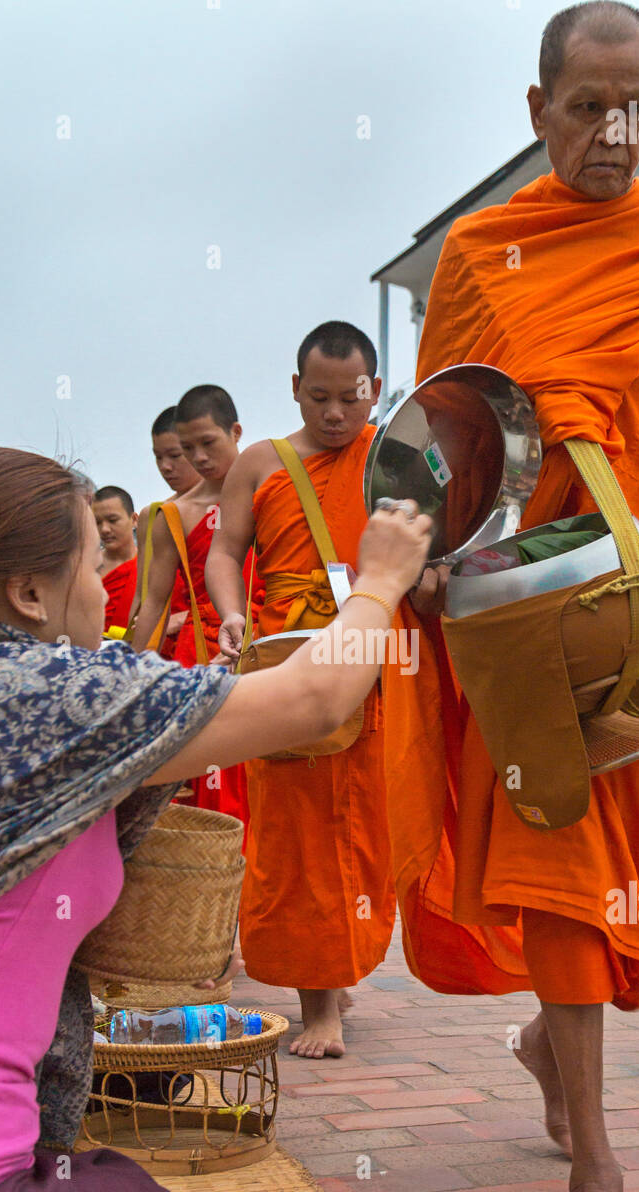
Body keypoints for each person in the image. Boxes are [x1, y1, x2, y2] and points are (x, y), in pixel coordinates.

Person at [379, 2, 639, 1192]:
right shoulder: (484, 255)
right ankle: (597, 1168)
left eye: (637, 106)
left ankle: (558, 1042)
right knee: (560, 866)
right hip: (530, 619)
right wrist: (428, 563)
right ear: (535, 107)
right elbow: (448, 437)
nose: (614, 132)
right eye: (588, 105)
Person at [0, 445, 429, 1192]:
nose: (105, 588)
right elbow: (314, 698)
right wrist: (380, 581)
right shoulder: (37, 690)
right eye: (97, 564)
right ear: (29, 595)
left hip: (0, 1158)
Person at [206, 322, 396, 1060]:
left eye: (351, 398)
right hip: (289, 664)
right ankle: (319, 1003)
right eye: (319, 397)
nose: (336, 414)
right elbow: (227, 551)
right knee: (301, 840)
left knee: (368, 837)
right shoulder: (262, 463)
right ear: (295, 389)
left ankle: (339, 966)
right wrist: (229, 611)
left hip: (375, 665)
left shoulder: (393, 455)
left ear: (374, 391)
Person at [130, 386, 263, 825]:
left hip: (270, 641)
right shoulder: (174, 514)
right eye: (189, 449)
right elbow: (151, 604)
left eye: (208, 444)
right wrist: (131, 685)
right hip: (202, 658)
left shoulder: (274, 488)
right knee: (211, 795)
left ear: (236, 431)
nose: (199, 458)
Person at [128, 408, 202, 657]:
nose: (165, 467)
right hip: (179, 648)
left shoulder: (241, 501)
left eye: (174, 455)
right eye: (158, 457)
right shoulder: (158, 515)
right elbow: (146, 598)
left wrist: (184, 618)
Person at [92, 485, 138, 634]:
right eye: (97, 522)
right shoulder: (84, 567)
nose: (104, 529)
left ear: (134, 520)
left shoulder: (154, 565)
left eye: (112, 520)